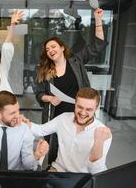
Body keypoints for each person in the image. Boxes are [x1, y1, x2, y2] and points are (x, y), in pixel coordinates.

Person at [35, 8, 108, 164]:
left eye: (53, 47)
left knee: (80, 148)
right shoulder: (44, 70)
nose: (50, 50)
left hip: (79, 113)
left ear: (62, 48)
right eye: (47, 49)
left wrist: (98, 20)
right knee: (56, 149)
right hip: (55, 114)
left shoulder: (76, 61)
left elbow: (98, 45)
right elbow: (39, 93)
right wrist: (49, 98)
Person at [24, 87, 112, 174]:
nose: (83, 113)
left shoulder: (103, 132)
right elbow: (40, 130)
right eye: (80, 107)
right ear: (75, 104)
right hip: (58, 170)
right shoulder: (63, 118)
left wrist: (99, 142)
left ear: (96, 109)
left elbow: (96, 171)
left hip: (84, 177)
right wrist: (24, 122)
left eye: (89, 109)